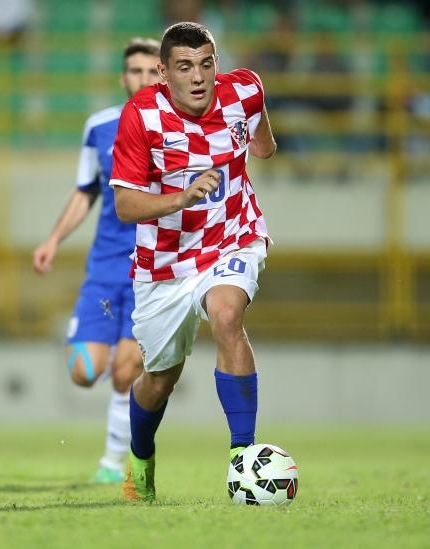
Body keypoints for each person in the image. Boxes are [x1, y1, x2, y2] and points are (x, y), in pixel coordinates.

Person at [109, 22, 277, 501]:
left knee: (227, 316)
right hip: (164, 264)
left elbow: (260, 123)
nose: (199, 77)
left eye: (206, 64)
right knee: (159, 379)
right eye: (185, 67)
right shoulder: (142, 115)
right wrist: (181, 198)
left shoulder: (243, 89)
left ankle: (243, 462)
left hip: (233, 238)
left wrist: (261, 144)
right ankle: (140, 457)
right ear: (163, 72)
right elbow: (125, 205)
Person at [32, 38, 161, 484]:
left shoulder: (180, 127)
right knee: (85, 371)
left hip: (153, 272)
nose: (143, 79)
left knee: (125, 371)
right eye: (135, 72)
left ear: (163, 75)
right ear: (124, 77)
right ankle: (124, 360)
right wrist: (52, 239)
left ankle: (112, 463)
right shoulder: (100, 127)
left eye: (151, 71)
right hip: (105, 270)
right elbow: (86, 190)